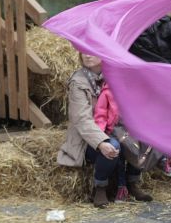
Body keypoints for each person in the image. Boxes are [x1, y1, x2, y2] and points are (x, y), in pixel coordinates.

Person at [57, 52, 152, 207]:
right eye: (83, 51)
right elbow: (82, 120)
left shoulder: (115, 75)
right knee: (112, 145)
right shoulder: (79, 82)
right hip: (88, 138)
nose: (87, 55)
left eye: (92, 51)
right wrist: (101, 142)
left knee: (142, 137)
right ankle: (100, 187)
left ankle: (132, 183)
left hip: (116, 129)